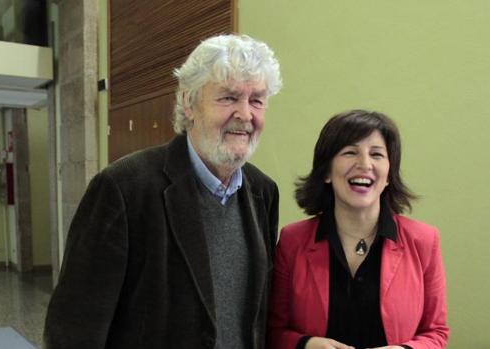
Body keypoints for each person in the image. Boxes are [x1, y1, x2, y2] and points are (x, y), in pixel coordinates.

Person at [43, 34, 282, 349]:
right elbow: (73, 330)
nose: (245, 114)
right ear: (188, 102)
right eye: (228, 97)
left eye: (256, 100)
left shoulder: (263, 193)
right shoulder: (122, 189)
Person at [267, 110, 449, 349]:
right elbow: (272, 331)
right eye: (350, 152)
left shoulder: (424, 241)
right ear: (326, 172)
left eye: (376, 154)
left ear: (388, 176)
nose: (364, 164)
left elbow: (436, 332)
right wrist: (306, 345)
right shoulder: (292, 241)